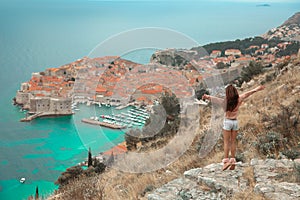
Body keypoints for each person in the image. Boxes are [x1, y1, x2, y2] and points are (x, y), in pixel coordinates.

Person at [202, 84, 265, 170]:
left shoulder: (224, 102)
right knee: (233, 142)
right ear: (235, 92)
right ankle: (232, 160)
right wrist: (257, 89)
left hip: (227, 122)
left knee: (226, 142)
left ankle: (226, 161)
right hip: (235, 122)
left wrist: (207, 97)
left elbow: (215, 99)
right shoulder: (239, 99)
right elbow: (248, 93)